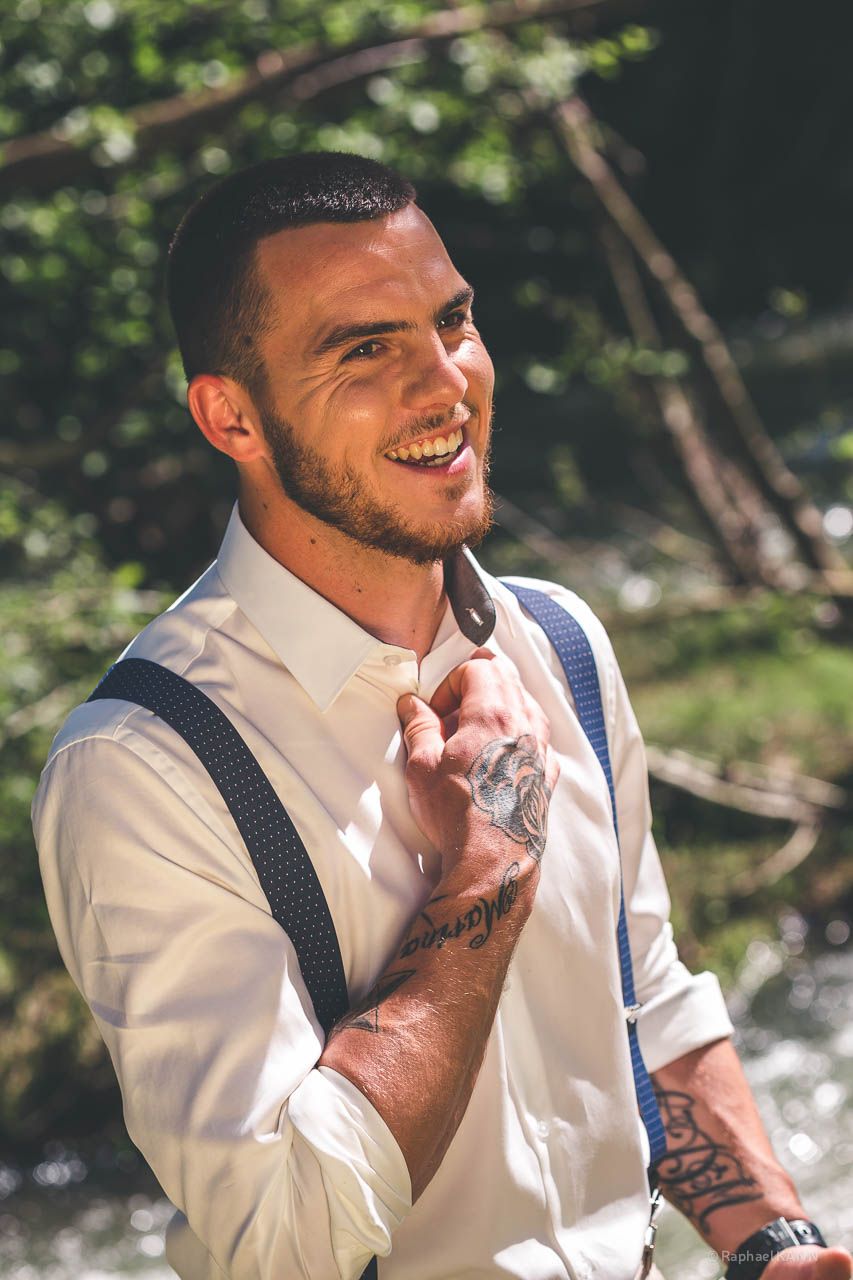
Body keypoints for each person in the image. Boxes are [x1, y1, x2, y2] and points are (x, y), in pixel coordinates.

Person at [33, 152, 851, 1280]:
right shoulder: (144, 766)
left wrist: (771, 1240)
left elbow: (642, 995)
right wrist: (486, 870)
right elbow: (288, 1237)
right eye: (365, 347)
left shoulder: (560, 640)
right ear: (232, 416)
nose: (445, 380)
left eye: (452, 319)